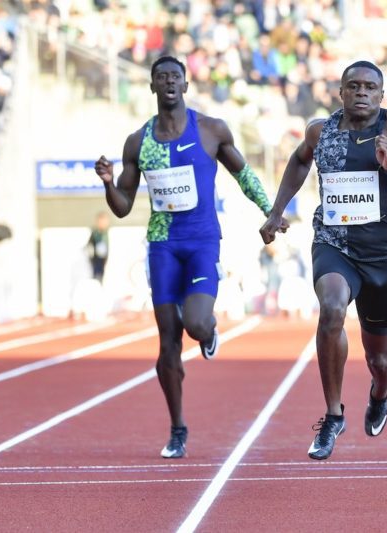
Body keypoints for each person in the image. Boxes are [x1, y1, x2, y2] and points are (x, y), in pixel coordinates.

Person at [94, 56, 287, 459]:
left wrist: (271, 210)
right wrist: (110, 184)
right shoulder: (138, 142)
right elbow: (123, 206)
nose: (168, 82)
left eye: (174, 77)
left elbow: (243, 173)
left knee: (196, 323)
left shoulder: (212, 130)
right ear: (151, 87)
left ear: (185, 85)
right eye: (160, 77)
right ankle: (178, 427)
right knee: (167, 342)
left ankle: (210, 332)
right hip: (162, 244)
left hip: (201, 241)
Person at [259, 60, 387, 460]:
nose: (361, 92)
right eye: (353, 86)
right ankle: (332, 415)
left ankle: (380, 391)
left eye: (370, 87)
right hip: (334, 243)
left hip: (381, 256)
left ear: (381, 95)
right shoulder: (320, 131)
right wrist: (277, 210)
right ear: (340, 93)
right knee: (330, 309)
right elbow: (299, 159)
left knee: (379, 357)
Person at [87, 211, 110, 283]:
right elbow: (89, 247)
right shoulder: (95, 234)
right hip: (97, 263)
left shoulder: (107, 233)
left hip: (104, 262)